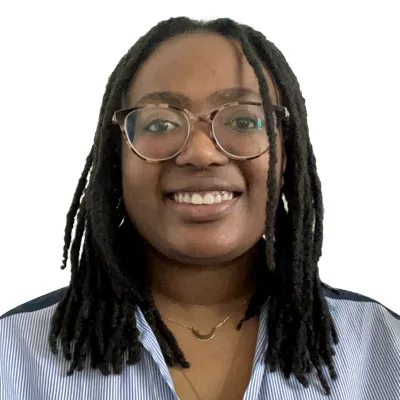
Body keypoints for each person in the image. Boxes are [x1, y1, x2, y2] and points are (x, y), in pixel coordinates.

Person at [1, 16, 399, 400]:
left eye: (243, 121)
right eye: (159, 124)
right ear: (116, 156)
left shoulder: (384, 345)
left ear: (287, 153)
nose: (201, 153)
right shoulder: (13, 352)